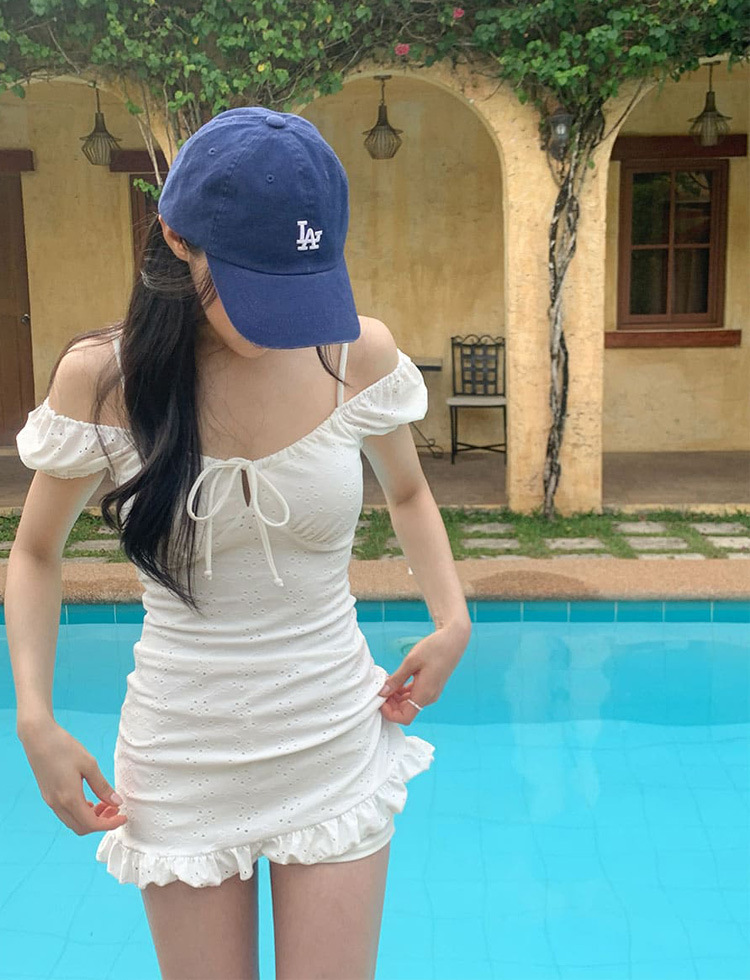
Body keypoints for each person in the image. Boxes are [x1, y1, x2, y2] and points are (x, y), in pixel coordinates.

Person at [7, 107, 471, 980]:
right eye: (255, 286)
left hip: (333, 734)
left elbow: (409, 491)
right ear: (177, 239)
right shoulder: (107, 381)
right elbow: (35, 553)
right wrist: (34, 716)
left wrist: (453, 618)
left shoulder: (355, 354)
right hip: (182, 753)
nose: (281, 323)